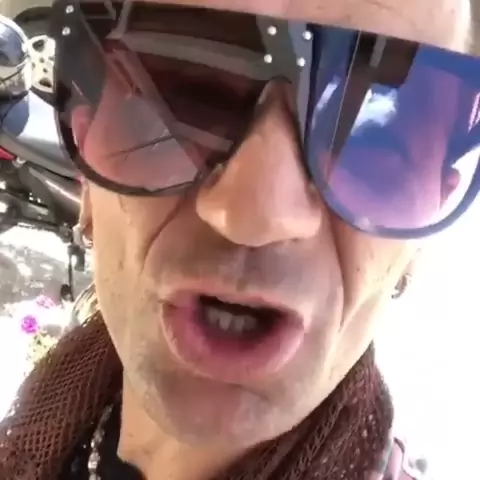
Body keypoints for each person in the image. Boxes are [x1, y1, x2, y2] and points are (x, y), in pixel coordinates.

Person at [0, 0, 478, 478]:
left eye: (371, 136)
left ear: (416, 246)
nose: (255, 216)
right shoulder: (40, 429)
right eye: (188, 93)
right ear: (85, 174)